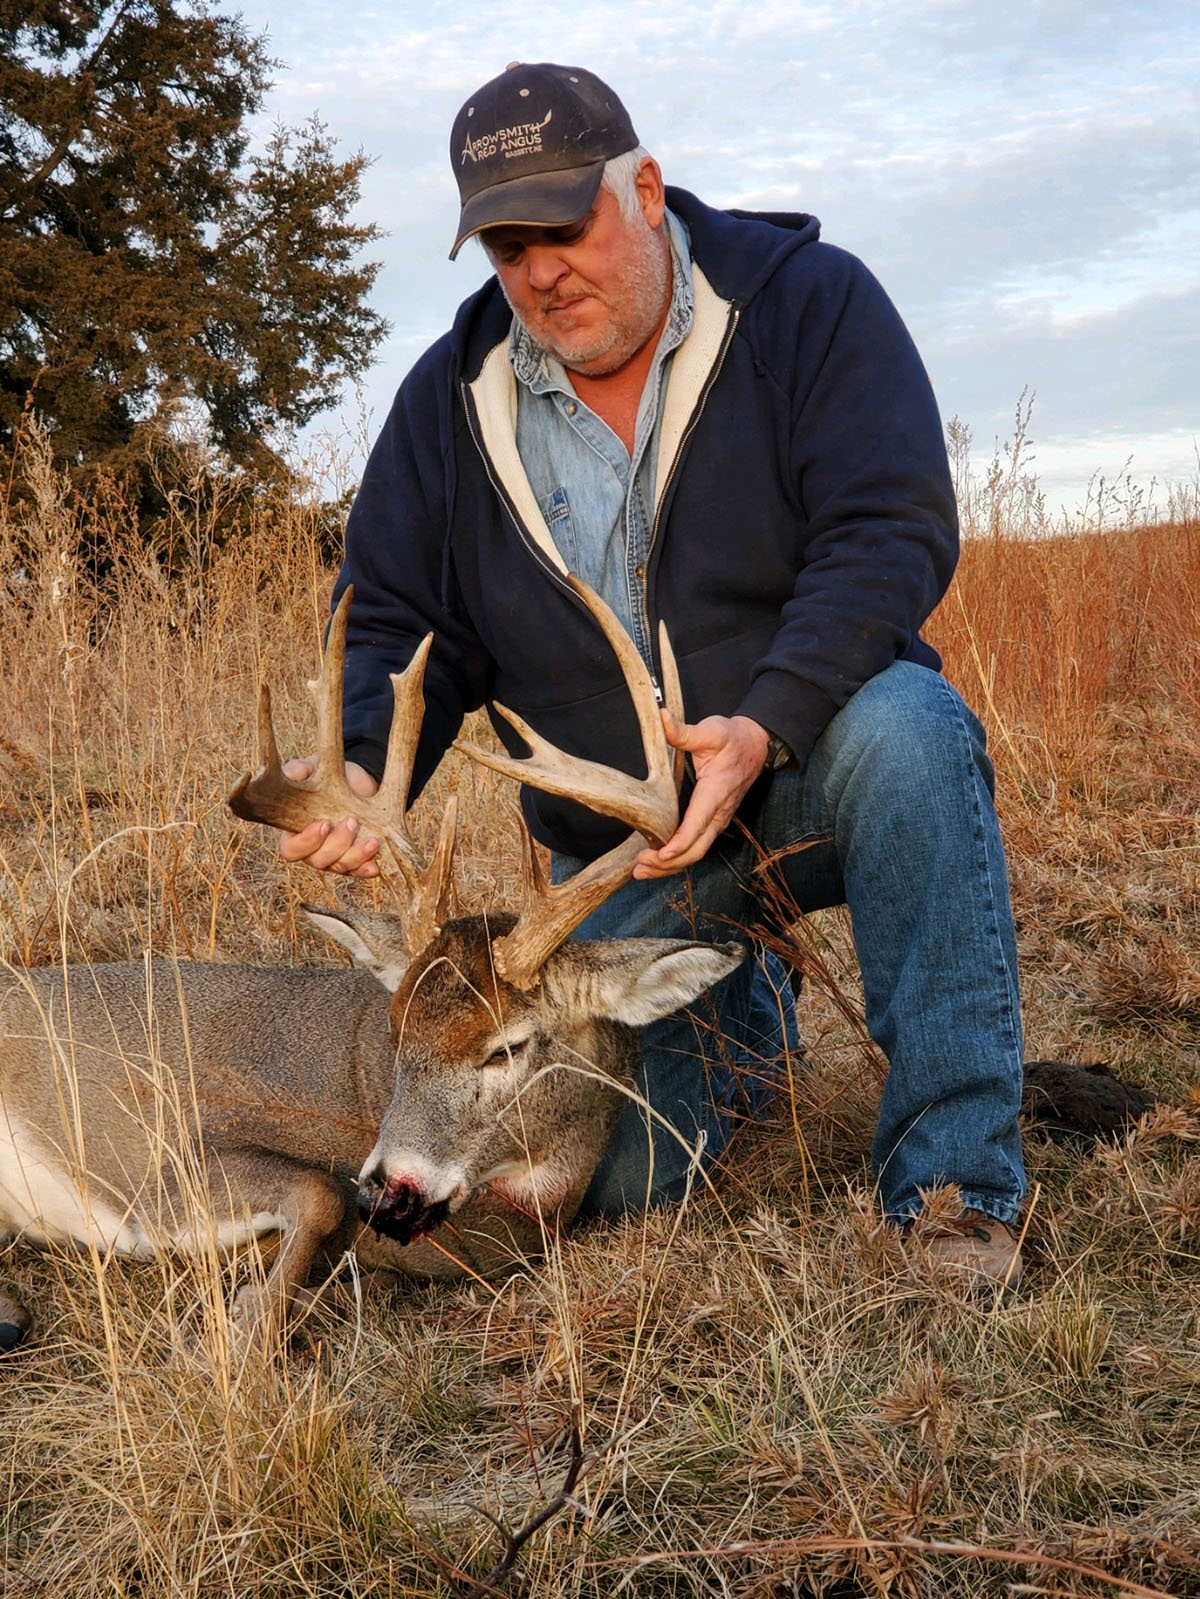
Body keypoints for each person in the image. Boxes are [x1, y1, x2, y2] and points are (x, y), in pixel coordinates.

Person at [280, 62, 1027, 1287]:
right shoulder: (450, 405)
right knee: (620, 1183)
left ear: (644, 187)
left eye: (565, 228)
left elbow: (889, 524)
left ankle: (954, 1185)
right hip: (621, 860)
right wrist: (367, 761)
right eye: (506, 246)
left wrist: (767, 721)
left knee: (909, 731)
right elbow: (400, 619)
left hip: (807, 764)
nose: (540, 272)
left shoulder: (806, 308)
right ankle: (747, 1009)